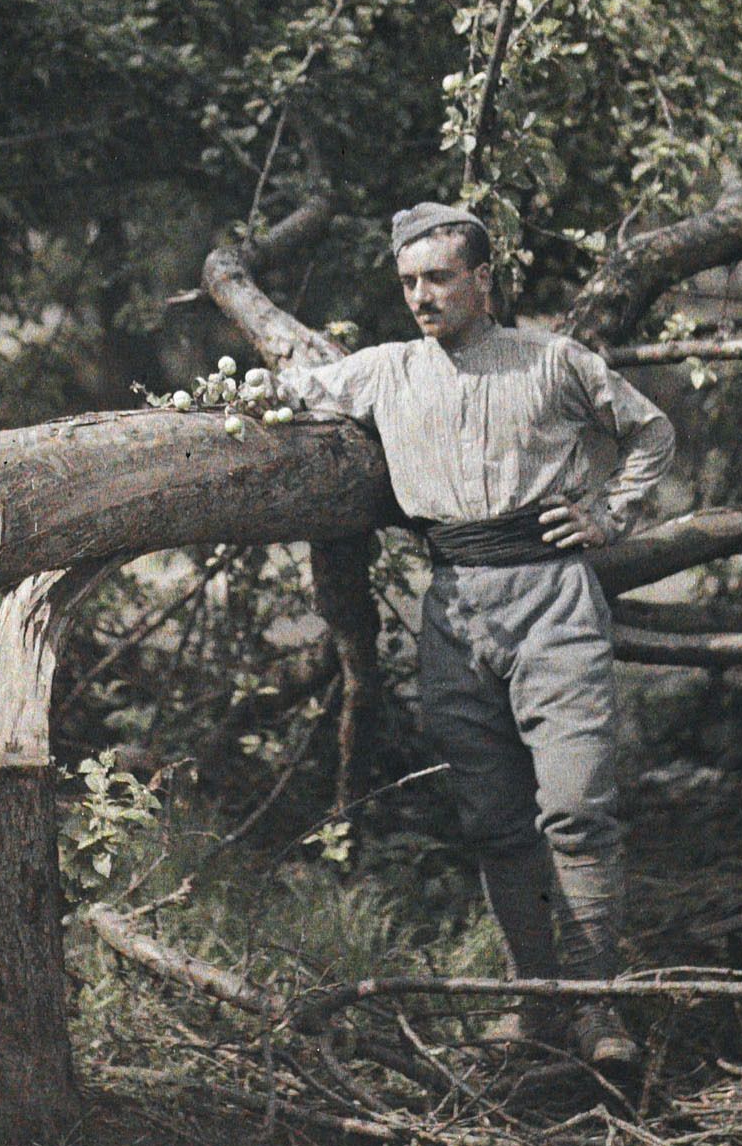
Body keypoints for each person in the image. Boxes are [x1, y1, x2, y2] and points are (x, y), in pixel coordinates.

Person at [275, 201, 675, 1074]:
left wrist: (610, 514)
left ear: (482, 279)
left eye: (439, 278)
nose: (421, 296)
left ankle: (594, 1004)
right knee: (493, 821)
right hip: (453, 610)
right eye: (408, 282)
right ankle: (535, 1003)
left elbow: (651, 430)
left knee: (575, 809)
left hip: (552, 601)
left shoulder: (552, 361)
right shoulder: (384, 371)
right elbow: (281, 396)